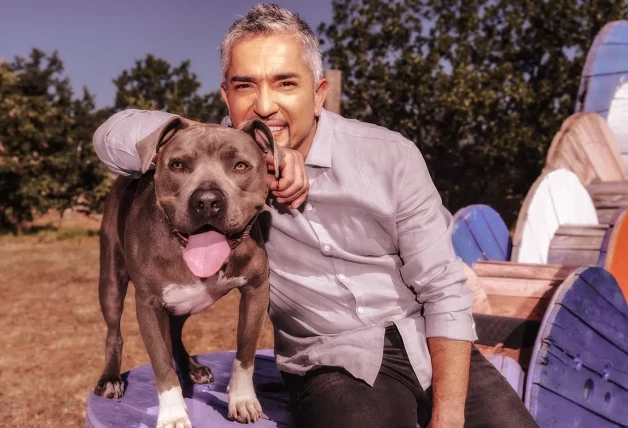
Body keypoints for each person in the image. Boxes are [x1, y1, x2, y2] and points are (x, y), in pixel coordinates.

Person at [93, 4, 539, 428]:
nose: (265, 105)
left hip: (422, 340)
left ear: (319, 91)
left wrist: (449, 415)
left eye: (285, 83)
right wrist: (189, 136)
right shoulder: (221, 166)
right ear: (226, 96)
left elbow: (442, 288)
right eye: (245, 85)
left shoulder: (391, 156)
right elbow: (108, 138)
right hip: (329, 360)